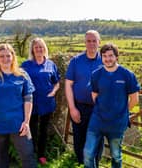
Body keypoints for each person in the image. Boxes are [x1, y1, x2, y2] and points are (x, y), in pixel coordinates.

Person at [0, 44, 37, 168]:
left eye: (8, 56)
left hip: (19, 124)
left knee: (28, 155)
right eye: (1, 56)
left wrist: (26, 122)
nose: (5, 59)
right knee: (1, 158)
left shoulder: (22, 75)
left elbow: (28, 99)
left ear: (13, 57)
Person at [83, 43, 140, 168]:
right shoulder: (96, 74)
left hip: (117, 123)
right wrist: (103, 109)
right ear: (101, 57)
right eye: (104, 56)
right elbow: (94, 95)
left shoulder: (127, 75)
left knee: (116, 155)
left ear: (116, 57)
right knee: (87, 153)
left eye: (110, 56)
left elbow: (134, 99)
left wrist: (121, 113)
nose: (107, 59)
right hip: (97, 121)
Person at [65, 30, 103, 165]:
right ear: (84, 42)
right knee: (79, 138)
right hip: (79, 106)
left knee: (97, 138)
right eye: (89, 41)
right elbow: (68, 85)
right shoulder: (76, 61)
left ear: (99, 42)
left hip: (99, 108)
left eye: (94, 41)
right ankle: (81, 163)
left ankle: (95, 163)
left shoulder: (106, 60)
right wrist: (72, 108)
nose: (91, 43)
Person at [21, 37, 60, 165]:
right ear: (32, 49)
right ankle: (30, 154)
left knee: (43, 130)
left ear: (45, 49)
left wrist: (53, 92)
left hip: (46, 103)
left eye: (41, 47)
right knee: (31, 129)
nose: (39, 49)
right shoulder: (26, 65)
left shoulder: (51, 64)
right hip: (31, 103)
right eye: (36, 47)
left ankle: (42, 155)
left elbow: (57, 82)